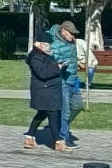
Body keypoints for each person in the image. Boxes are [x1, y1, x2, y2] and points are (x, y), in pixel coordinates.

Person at [46, 19, 83, 149]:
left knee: (78, 106)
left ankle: (60, 126)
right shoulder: (55, 45)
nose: (73, 36)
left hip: (74, 80)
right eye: (70, 33)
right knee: (65, 111)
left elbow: (73, 58)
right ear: (63, 31)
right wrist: (61, 63)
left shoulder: (72, 43)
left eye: (74, 34)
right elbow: (53, 60)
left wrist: (77, 63)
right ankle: (62, 138)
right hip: (63, 82)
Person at [23, 39, 66, 151]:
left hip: (48, 89)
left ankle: (29, 137)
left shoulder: (44, 54)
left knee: (42, 113)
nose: (49, 46)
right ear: (39, 44)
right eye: (47, 44)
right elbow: (43, 73)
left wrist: (60, 64)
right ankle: (58, 141)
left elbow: (48, 67)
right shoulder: (36, 57)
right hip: (44, 90)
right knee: (53, 113)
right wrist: (58, 67)